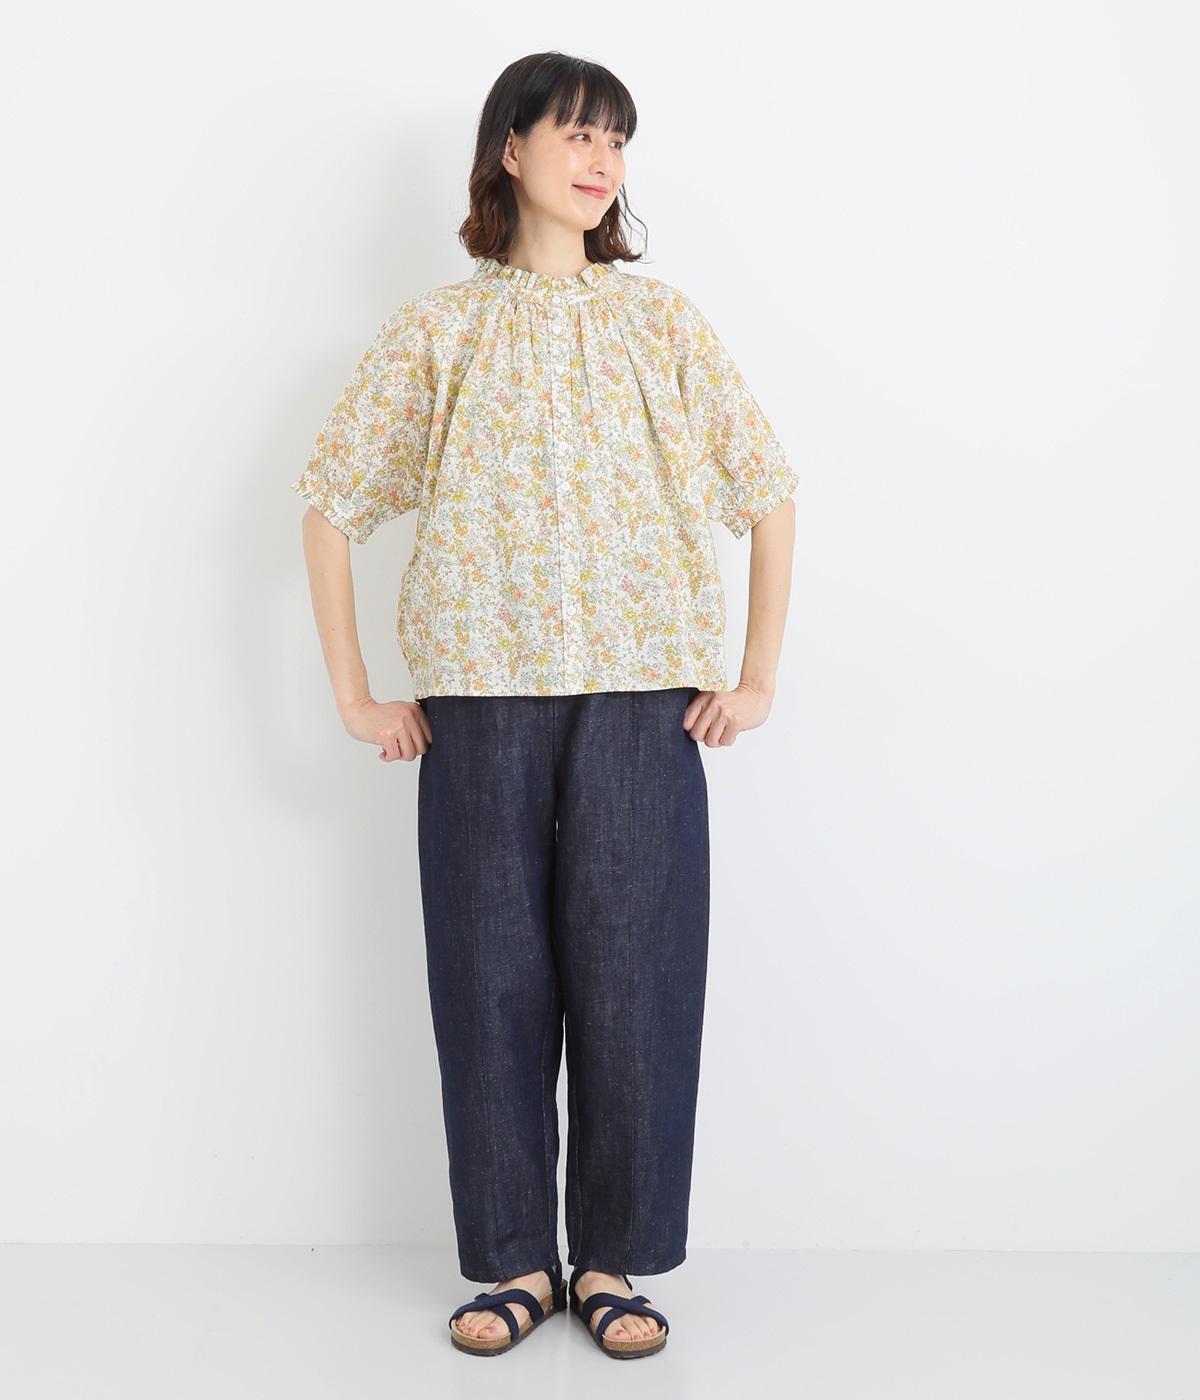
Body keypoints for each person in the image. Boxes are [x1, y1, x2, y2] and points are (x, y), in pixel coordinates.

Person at [291, 51, 798, 1359]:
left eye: (616, 141)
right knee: (488, 983)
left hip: (644, 701)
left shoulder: (661, 323)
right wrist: (354, 694)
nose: (600, 161)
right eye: (576, 133)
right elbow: (331, 501)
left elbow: (767, 487)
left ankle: (613, 1261)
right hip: (479, 703)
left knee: (636, 981)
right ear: (509, 150)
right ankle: (515, 1260)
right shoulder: (439, 333)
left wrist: (757, 675)